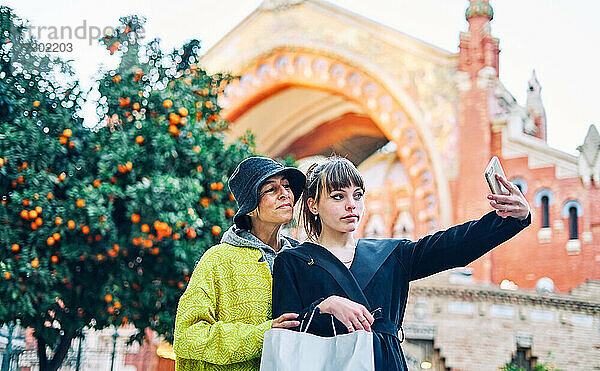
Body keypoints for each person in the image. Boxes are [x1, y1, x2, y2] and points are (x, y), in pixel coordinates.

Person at [272, 156, 531, 371]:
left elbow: (453, 246)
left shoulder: (391, 253)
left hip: (387, 363)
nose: (352, 205)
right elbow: (286, 334)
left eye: (358, 195)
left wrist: (509, 219)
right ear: (313, 205)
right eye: (338, 196)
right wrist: (325, 307)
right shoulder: (292, 261)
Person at [174, 157, 305, 371]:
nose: (285, 193)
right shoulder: (217, 260)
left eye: (287, 186)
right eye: (271, 189)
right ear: (250, 208)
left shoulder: (303, 258)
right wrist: (262, 335)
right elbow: (188, 336)